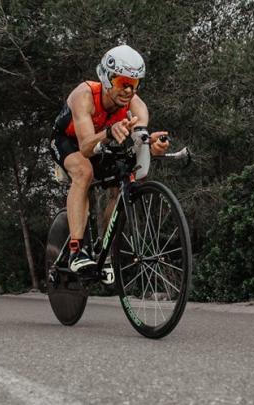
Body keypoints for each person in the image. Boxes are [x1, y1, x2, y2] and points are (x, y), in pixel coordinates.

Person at [50, 44, 169, 276]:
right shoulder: (83, 96)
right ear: (106, 78)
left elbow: (141, 136)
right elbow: (85, 147)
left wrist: (153, 143)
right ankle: (76, 250)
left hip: (101, 141)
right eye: (122, 82)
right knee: (84, 172)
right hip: (69, 141)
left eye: (134, 84)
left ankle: (103, 249)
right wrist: (108, 132)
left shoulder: (137, 106)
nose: (128, 90)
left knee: (122, 179)